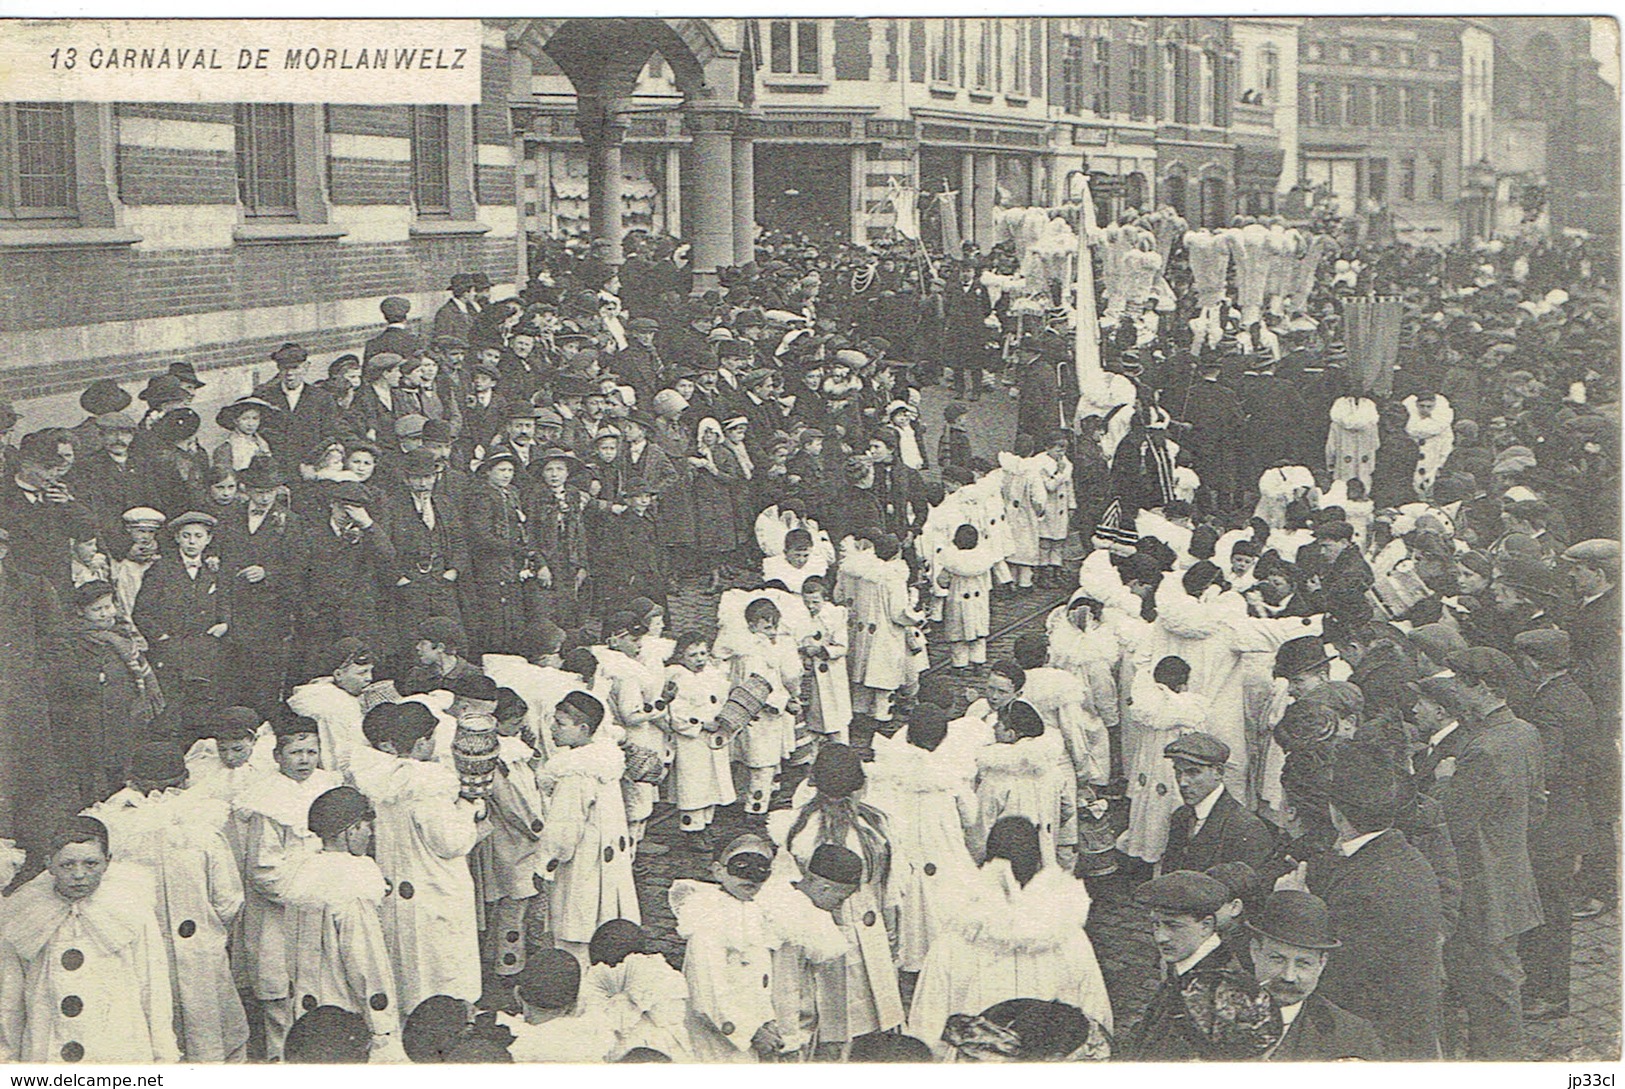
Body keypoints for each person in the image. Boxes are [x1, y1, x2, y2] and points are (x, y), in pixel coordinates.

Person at [85, 744, 249, 1062]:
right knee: (209, 1033)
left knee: (153, 1029)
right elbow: (228, 900)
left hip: (143, 947)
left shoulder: (113, 824)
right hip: (198, 944)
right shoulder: (202, 822)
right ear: (185, 779)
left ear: (132, 781)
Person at [908, 816, 1112, 1055]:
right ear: (1038, 861)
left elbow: (929, 1020)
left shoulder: (957, 935)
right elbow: (1094, 1012)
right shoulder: (1067, 933)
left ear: (987, 858)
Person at [1304, 740, 1445, 1059]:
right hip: (1412, 1029)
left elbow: (1337, 976)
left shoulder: (1363, 885)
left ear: (1336, 813)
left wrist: (1298, 903)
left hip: (1377, 1042)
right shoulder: (1408, 857)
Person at [0, 815, 179, 1063]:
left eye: (91, 864)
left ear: (108, 862)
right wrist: (7, 1059)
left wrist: (163, 1055)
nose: (79, 875)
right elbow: (10, 996)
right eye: (67, 865)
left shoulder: (130, 911)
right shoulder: (26, 914)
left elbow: (154, 987)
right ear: (49, 864)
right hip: (48, 1041)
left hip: (117, 1043)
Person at [350, 702, 483, 1016]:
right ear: (423, 741)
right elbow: (451, 842)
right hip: (436, 888)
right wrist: (468, 809)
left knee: (411, 971)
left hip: (400, 888)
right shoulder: (430, 785)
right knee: (444, 969)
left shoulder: (386, 780)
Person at [232, 710, 343, 1061]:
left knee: (324, 987)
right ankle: (280, 1060)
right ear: (277, 756)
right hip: (280, 912)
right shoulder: (265, 799)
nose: (304, 760)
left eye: (311, 752)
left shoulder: (330, 786)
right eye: (295, 753)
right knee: (280, 996)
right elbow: (263, 869)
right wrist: (306, 891)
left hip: (324, 907)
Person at [280, 786, 404, 1060]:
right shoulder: (353, 887)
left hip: (307, 1013)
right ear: (351, 831)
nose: (370, 834)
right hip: (345, 1018)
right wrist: (382, 1028)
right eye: (366, 827)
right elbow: (366, 963)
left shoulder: (305, 876)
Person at [535, 691, 639, 967]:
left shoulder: (574, 772)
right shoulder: (605, 761)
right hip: (607, 856)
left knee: (577, 926)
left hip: (584, 862)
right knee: (603, 921)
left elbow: (564, 830)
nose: (553, 729)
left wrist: (546, 864)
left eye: (560, 723)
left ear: (583, 729)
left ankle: (575, 978)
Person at [668, 834, 783, 1062]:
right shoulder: (708, 918)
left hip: (752, 1025)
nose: (751, 877)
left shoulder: (754, 911)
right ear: (719, 871)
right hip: (718, 1033)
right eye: (741, 867)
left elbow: (759, 976)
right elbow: (706, 989)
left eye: (761, 869)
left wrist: (767, 1021)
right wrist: (750, 1031)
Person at [1119, 870, 1244, 1060]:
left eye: (1173, 926)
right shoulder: (1187, 961)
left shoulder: (1214, 987)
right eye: (1155, 925)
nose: (1160, 937)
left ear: (1206, 925)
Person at [1249, 890, 1385, 1060]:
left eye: (1303, 963)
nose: (1289, 976)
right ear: (1255, 951)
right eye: (1278, 959)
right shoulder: (1211, 1012)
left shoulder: (1351, 1036)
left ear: (1322, 963)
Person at [1159, 732, 1274, 875]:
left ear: (1218, 772)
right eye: (1178, 772)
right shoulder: (1181, 816)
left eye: (1193, 772)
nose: (1182, 782)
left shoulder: (1246, 827)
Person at [663, 633, 735, 850]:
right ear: (681, 656)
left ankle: (706, 823)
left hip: (714, 738)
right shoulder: (678, 678)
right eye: (692, 655)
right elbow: (677, 714)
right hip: (692, 741)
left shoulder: (710, 674)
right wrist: (702, 723)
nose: (699, 659)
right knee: (693, 784)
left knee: (712, 782)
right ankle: (692, 829)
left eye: (703, 653)